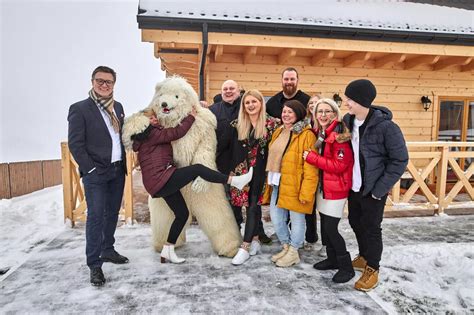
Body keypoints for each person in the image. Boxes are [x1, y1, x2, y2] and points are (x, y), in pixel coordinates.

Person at [131, 108, 253, 264]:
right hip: (161, 179)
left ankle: (167, 250)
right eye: (151, 119)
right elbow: (176, 133)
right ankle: (235, 181)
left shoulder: (145, 136)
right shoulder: (151, 133)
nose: (155, 120)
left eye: (155, 117)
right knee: (197, 169)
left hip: (158, 183)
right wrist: (191, 116)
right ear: (144, 122)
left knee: (181, 214)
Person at [342, 79, 408, 291]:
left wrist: (380, 190)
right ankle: (363, 256)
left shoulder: (386, 127)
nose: (346, 103)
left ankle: (373, 267)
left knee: (371, 229)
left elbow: (400, 159)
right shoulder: (348, 121)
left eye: (350, 99)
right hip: (354, 187)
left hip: (373, 189)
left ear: (361, 100)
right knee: (354, 221)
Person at [68, 66, 128, 287]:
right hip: (96, 173)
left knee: (112, 213)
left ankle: (107, 250)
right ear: (92, 81)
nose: (104, 85)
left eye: (109, 82)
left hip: (116, 170)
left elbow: (121, 135)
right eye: (100, 81)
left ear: (114, 84)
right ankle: (94, 265)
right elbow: (76, 144)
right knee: (95, 217)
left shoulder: (118, 108)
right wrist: (90, 168)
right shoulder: (80, 109)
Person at [216, 90, 280, 265]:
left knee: (253, 205)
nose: (251, 105)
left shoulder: (272, 124)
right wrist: (227, 171)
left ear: (261, 103)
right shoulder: (236, 124)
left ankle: (245, 247)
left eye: (254, 102)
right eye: (247, 103)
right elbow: (223, 148)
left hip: (261, 171)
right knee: (243, 207)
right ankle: (256, 240)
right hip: (240, 173)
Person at [209, 80, 272, 244]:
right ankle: (234, 233)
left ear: (238, 91)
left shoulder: (245, 106)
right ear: (221, 92)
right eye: (225, 89)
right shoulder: (213, 110)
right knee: (232, 202)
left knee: (253, 201)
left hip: (249, 161)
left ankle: (258, 232)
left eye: (232, 88)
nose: (228, 91)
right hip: (225, 163)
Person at [303, 98, 355, 283]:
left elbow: (340, 165)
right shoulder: (323, 133)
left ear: (334, 113)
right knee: (325, 226)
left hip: (337, 188)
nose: (323, 115)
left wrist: (312, 158)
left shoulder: (339, 134)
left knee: (331, 229)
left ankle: (346, 267)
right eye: (320, 112)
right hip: (324, 187)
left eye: (327, 111)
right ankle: (332, 259)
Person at [266, 68, 318, 248]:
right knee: (276, 217)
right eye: (284, 112)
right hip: (277, 181)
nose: (286, 114)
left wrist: (306, 191)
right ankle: (286, 245)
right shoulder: (279, 131)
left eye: (290, 112)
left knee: (297, 218)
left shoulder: (306, 134)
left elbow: (310, 166)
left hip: (295, 181)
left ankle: (294, 248)